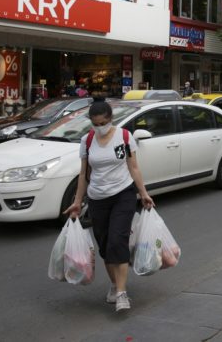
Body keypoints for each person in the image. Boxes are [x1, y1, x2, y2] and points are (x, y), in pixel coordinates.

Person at [63, 101, 154, 312]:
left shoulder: (123, 137)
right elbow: (84, 175)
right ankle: (115, 285)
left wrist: (143, 193)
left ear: (110, 119)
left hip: (123, 194)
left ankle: (122, 293)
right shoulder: (87, 141)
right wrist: (77, 202)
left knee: (117, 241)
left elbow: (133, 167)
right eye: (95, 124)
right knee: (105, 246)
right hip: (97, 199)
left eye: (103, 123)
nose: (99, 127)